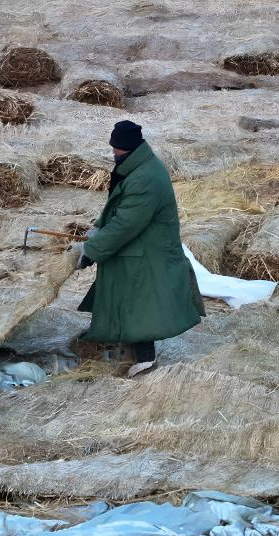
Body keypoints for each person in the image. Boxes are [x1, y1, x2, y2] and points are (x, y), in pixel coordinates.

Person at [74, 120, 206, 377]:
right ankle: (131, 354)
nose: (113, 152)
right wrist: (98, 230)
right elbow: (118, 210)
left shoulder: (145, 178)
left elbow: (125, 223)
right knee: (130, 301)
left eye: (116, 148)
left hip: (148, 253)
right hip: (138, 248)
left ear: (128, 147)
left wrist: (91, 250)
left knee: (140, 304)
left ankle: (144, 361)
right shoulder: (137, 167)